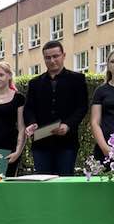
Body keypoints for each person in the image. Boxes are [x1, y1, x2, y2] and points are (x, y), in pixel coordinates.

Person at [24, 41, 88, 176]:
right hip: (41, 141)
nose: (52, 61)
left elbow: (82, 107)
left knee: (64, 182)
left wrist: (68, 124)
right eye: (48, 57)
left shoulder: (77, 79)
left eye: (55, 56)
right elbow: (29, 108)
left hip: (67, 142)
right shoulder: (34, 83)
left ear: (63, 55)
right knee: (42, 182)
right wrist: (32, 123)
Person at [90, 47, 114, 163]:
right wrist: (105, 149)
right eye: (112, 61)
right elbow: (95, 122)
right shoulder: (101, 91)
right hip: (106, 148)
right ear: (108, 65)